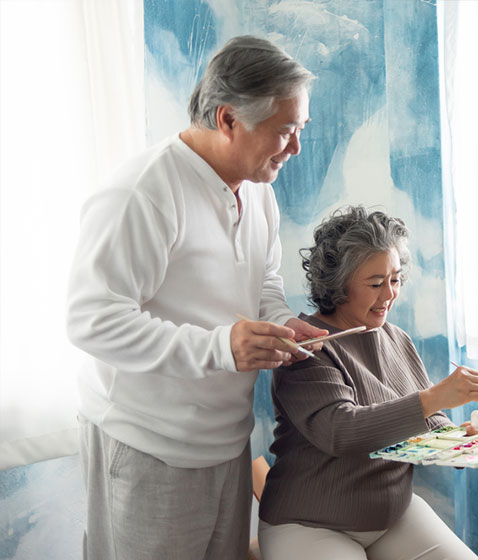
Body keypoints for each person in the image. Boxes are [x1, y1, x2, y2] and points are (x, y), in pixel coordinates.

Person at [66, 36, 328, 559]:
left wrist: (281, 322)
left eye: (301, 129)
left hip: (226, 445)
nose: (296, 147)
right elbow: (91, 320)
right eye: (284, 130)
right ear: (228, 119)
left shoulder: (258, 189)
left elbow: (264, 281)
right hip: (146, 447)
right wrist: (221, 348)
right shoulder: (141, 192)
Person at [257, 206, 478, 560]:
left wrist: (458, 442)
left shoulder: (396, 338)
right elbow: (341, 431)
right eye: (375, 283)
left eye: (396, 279)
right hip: (308, 524)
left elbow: (429, 420)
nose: (389, 295)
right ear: (338, 284)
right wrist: (434, 398)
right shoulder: (307, 348)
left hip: (391, 516)